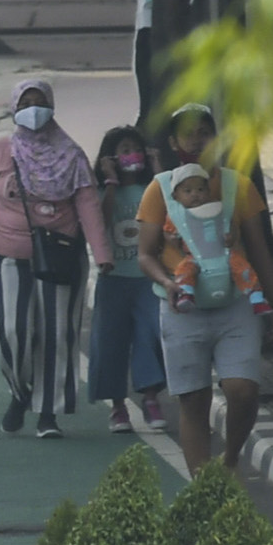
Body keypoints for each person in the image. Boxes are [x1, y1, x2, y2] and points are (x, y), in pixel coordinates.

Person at [0, 79, 120, 437]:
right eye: (25, 103)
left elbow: (88, 205)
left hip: (62, 258)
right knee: (13, 330)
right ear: (14, 109)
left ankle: (49, 413)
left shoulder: (71, 154)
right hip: (9, 256)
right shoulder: (0, 151)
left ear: (51, 107)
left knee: (58, 334)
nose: (33, 109)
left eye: (40, 102)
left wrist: (102, 253)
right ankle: (20, 391)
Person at [142, 106, 273, 471]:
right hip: (182, 308)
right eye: (188, 134)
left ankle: (231, 458)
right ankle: (203, 489)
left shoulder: (238, 186)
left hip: (235, 304)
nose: (197, 140)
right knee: (193, 400)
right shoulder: (159, 188)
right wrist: (167, 282)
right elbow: (145, 254)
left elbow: (259, 251)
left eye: (204, 132)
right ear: (173, 142)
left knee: (243, 389)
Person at [88, 123, 177, 435]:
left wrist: (158, 168)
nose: (132, 155)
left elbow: (171, 210)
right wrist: (110, 181)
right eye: (124, 151)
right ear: (110, 157)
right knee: (109, 342)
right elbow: (100, 220)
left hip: (147, 279)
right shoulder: (102, 192)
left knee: (151, 335)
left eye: (137, 149)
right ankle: (117, 406)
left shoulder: (151, 189)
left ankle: (151, 398)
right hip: (113, 279)